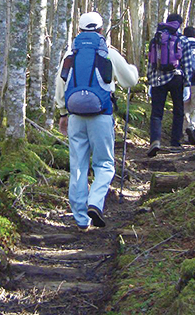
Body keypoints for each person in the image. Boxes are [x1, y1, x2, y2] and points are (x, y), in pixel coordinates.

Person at [55, 12, 139, 232]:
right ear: (101, 30)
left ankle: (81, 219)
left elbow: (60, 85)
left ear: (79, 30)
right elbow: (130, 81)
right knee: (104, 164)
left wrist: (62, 113)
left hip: (74, 116)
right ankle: (95, 201)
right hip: (101, 115)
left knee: (78, 166)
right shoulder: (108, 52)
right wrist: (134, 71)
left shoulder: (70, 53)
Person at [146, 13, 194, 157]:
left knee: (156, 113)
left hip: (157, 79)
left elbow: (150, 62)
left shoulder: (156, 39)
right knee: (178, 111)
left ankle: (155, 140)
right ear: (180, 24)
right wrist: (187, 84)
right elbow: (188, 63)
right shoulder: (183, 40)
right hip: (176, 77)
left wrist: (150, 81)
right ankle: (175, 143)